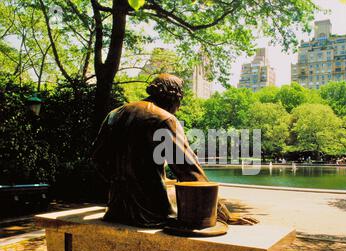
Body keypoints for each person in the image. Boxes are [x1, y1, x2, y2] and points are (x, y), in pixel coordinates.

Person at [92, 74, 257, 228]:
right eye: (180, 101)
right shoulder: (164, 119)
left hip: (116, 209)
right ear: (174, 98)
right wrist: (223, 214)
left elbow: (97, 159)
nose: (178, 108)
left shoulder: (114, 114)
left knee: (170, 186)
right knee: (179, 195)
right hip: (151, 213)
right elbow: (191, 173)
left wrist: (123, 182)